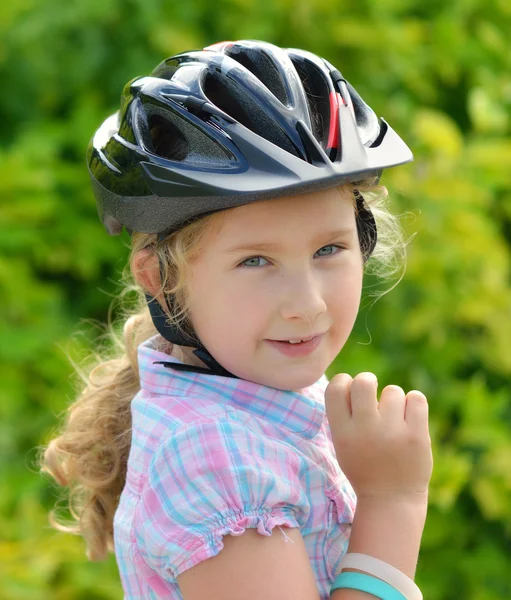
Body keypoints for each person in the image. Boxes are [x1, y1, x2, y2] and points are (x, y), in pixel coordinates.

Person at [40, 40, 433, 600]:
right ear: (160, 278)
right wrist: (393, 501)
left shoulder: (248, 393)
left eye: (329, 250)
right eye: (256, 260)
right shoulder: (213, 458)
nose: (308, 303)